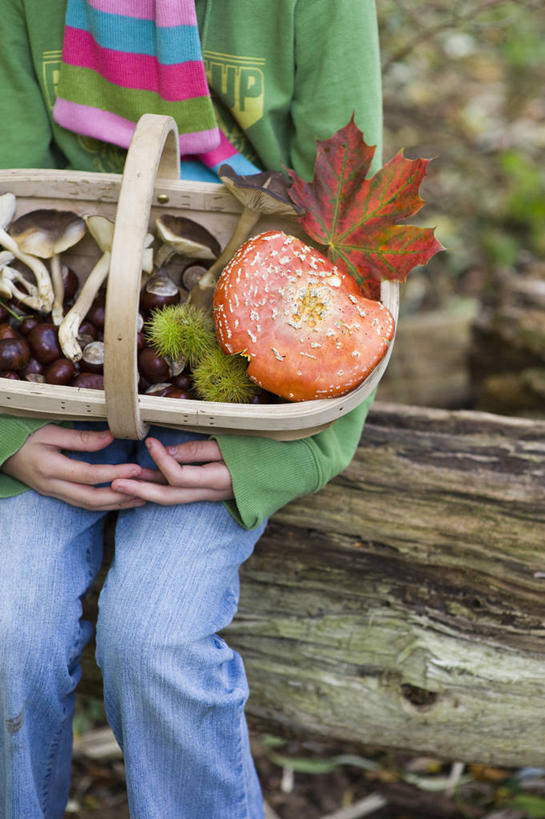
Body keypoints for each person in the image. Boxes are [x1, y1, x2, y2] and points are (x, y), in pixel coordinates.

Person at [0, 1, 383, 817]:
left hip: (243, 385)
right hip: (62, 368)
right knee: (7, 619)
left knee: (155, 639)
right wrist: (7, 432)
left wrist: (284, 451)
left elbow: (359, 247)